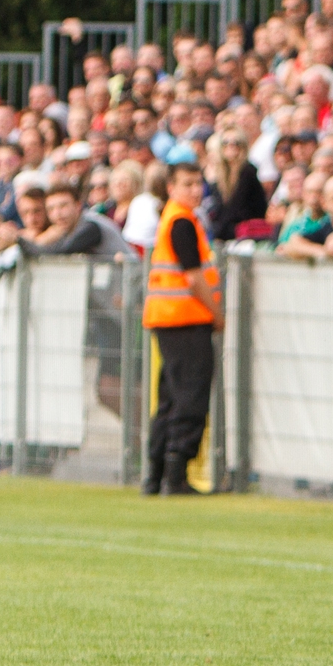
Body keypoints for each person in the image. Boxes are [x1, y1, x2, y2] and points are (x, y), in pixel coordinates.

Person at [142, 161, 223, 496]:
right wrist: (217, 313)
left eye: (198, 183)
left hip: (168, 318)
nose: (195, 189)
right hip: (186, 317)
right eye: (187, 183)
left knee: (169, 398)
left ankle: (155, 474)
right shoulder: (182, 221)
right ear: (171, 187)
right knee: (190, 395)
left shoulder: (173, 218)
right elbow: (193, 278)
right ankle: (176, 474)